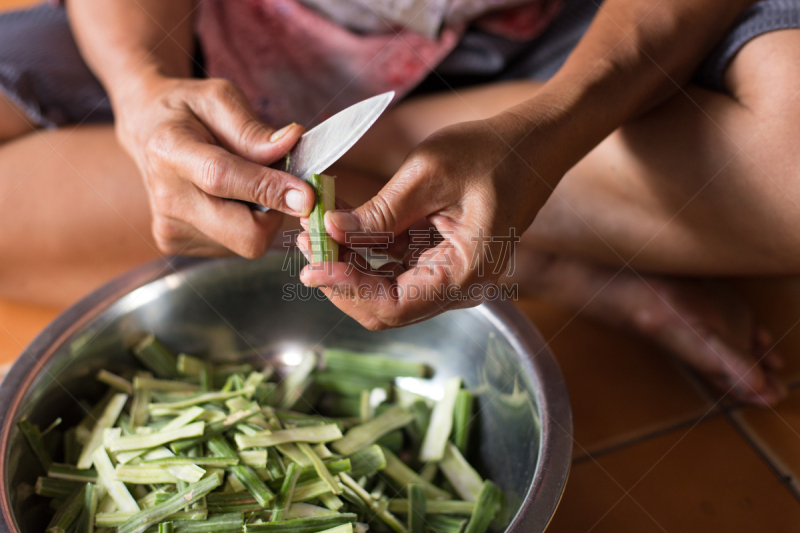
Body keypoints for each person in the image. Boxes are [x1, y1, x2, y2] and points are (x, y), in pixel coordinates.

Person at [0, 0, 797, 406]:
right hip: (237, 24)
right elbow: (146, 74)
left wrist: (538, 137)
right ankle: (523, 235)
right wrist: (146, 96)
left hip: (571, 35)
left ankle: (467, 174)